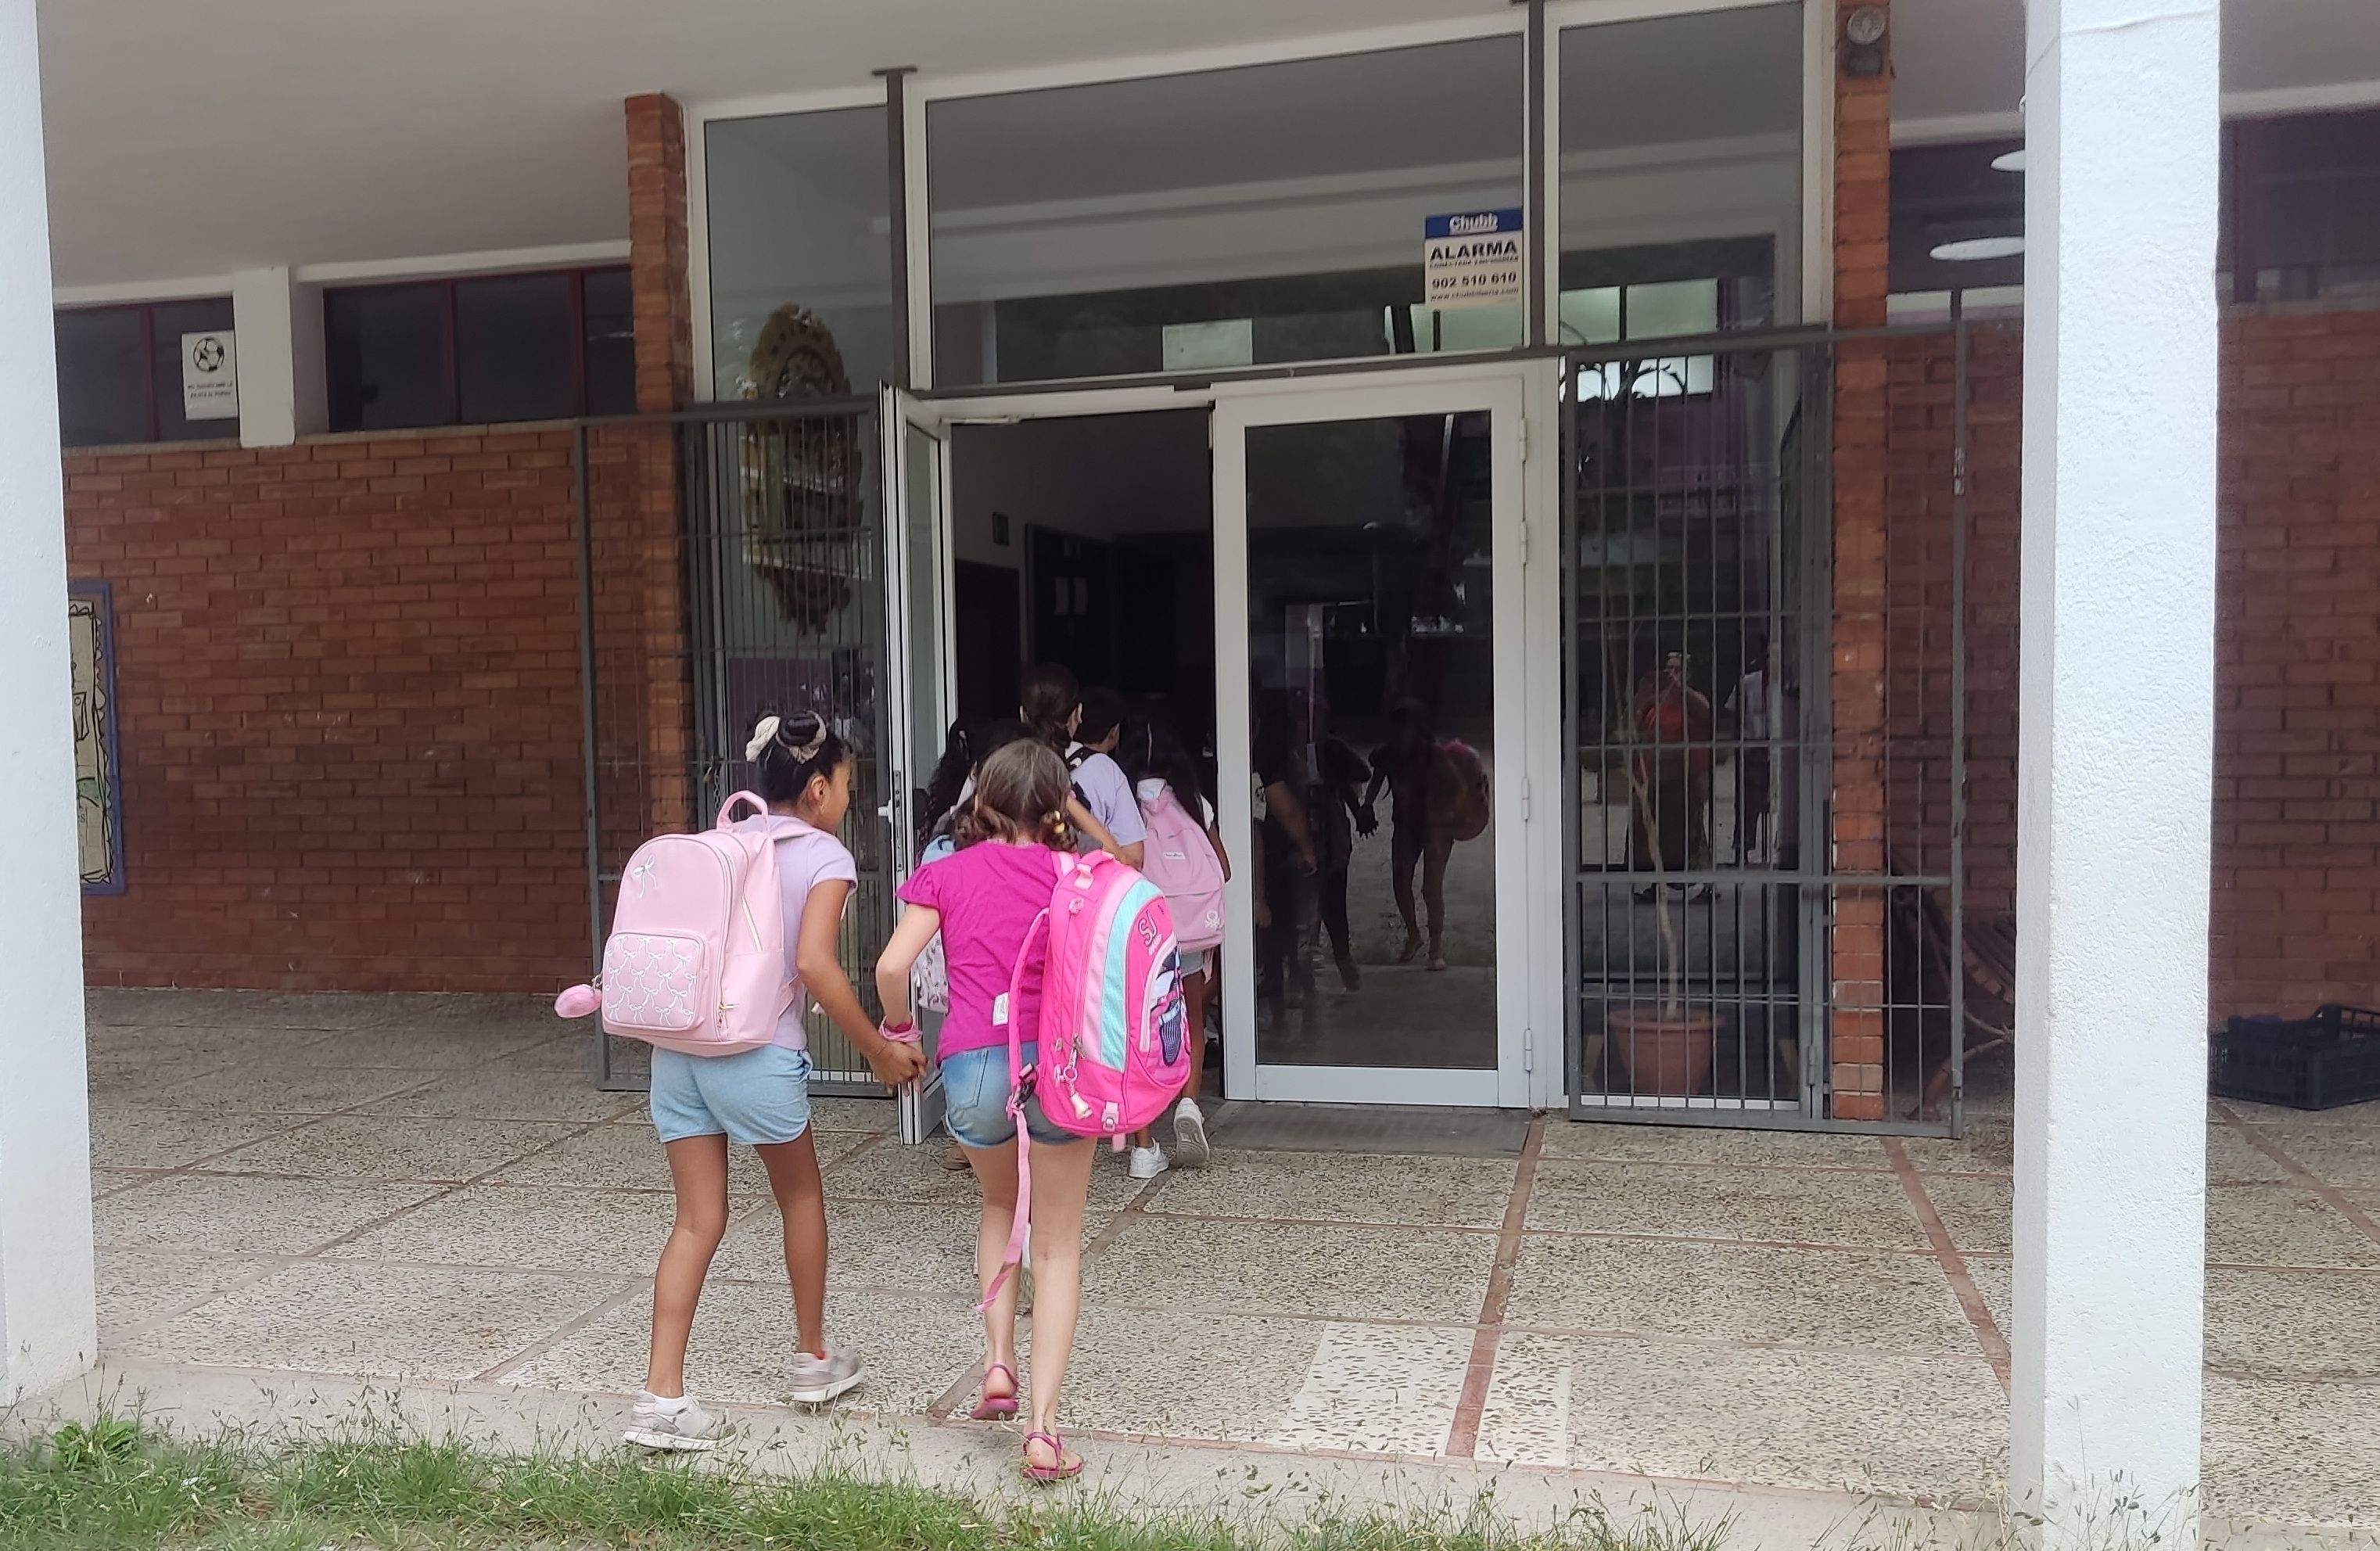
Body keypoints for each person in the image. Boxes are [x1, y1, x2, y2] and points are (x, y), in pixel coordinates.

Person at [626, 710, 926, 1452]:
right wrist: (877, 1049)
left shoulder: (725, 837)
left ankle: (661, 1397)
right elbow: (815, 966)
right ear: (818, 789)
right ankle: (813, 1358)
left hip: (680, 1050)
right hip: (757, 1053)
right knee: (799, 1195)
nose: (851, 799)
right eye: (850, 785)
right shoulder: (825, 856)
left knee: (695, 1220)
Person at [874, 739, 1097, 1485]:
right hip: (1057, 1069)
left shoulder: (944, 870)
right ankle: (1041, 1431)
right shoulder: (1076, 876)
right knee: (1058, 1246)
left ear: (984, 796)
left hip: (971, 1069)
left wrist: (900, 1035)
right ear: (1058, 806)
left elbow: (891, 966)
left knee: (1000, 1203)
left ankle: (997, 1363)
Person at [1118, 713, 1229, 1171]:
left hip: (1140, 936)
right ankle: (1188, 1105)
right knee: (1192, 1023)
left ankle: (1144, 1146)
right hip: (1186, 935)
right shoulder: (1195, 803)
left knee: (1137, 1033)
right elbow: (1222, 867)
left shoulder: (1120, 807)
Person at [1360, 698, 1454, 971]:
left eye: (1407, 727)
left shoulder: (1433, 754)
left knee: (1431, 887)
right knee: (1401, 881)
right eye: (1398, 728)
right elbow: (1376, 782)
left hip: (1435, 826)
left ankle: (1436, 945)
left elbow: (1451, 787)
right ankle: (1415, 934)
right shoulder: (1388, 754)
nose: (1402, 733)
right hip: (1405, 825)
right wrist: (1366, 808)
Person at [1020, 663, 1141, 865]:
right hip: (1081, 891)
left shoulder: (996, 769)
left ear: (1022, 714)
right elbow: (1132, 860)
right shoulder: (1104, 768)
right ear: (1078, 713)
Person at [1630, 652, 1714, 881]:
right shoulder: (1657, 700)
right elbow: (1638, 727)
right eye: (1669, 669)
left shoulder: (1691, 698)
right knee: (1657, 833)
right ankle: (1656, 883)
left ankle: (1704, 883)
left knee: (1691, 833)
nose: (1671, 674)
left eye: (1677, 669)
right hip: (1658, 777)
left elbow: (1706, 712)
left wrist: (1678, 688)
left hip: (1686, 776)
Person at [1725, 638, 1782, 864]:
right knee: (1747, 802)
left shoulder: (1784, 685)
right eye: (1768, 657)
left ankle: (1778, 849)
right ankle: (1743, 847)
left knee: (1774, 799)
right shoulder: (1748, 683)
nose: (1772, 662)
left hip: (1777, 749)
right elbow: (1733, 715)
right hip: (1752, 747)